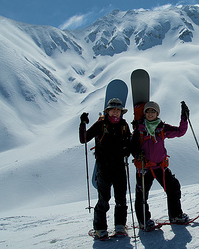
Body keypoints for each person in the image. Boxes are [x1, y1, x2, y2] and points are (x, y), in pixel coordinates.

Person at [132, 101, 190, 231]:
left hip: (160, 167)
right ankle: (144, 221)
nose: (150, 113)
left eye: (153, 111)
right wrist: (137, 153)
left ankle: (175, 215)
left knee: (173, 187)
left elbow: (180, 131)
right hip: (144, 168)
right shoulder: (139, 129)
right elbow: (132, 145)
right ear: (145, 113)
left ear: (157, 113)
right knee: (142, 196)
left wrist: (184, 117)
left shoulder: (162, 127)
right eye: (148, 111)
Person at [79, 98, 131, 239]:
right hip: (104, 168)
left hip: (119, 166)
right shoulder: (100, 124)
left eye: (118, 110)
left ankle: (120, 226)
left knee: (121, 198)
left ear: (121, 112)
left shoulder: (124, 125)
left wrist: (128, 149)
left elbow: (129, 141)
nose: (116, 112)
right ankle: (100, 228)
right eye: (113, 109)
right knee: (104, 199)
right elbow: (83, 139)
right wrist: (83, 124)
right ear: (107, 111)